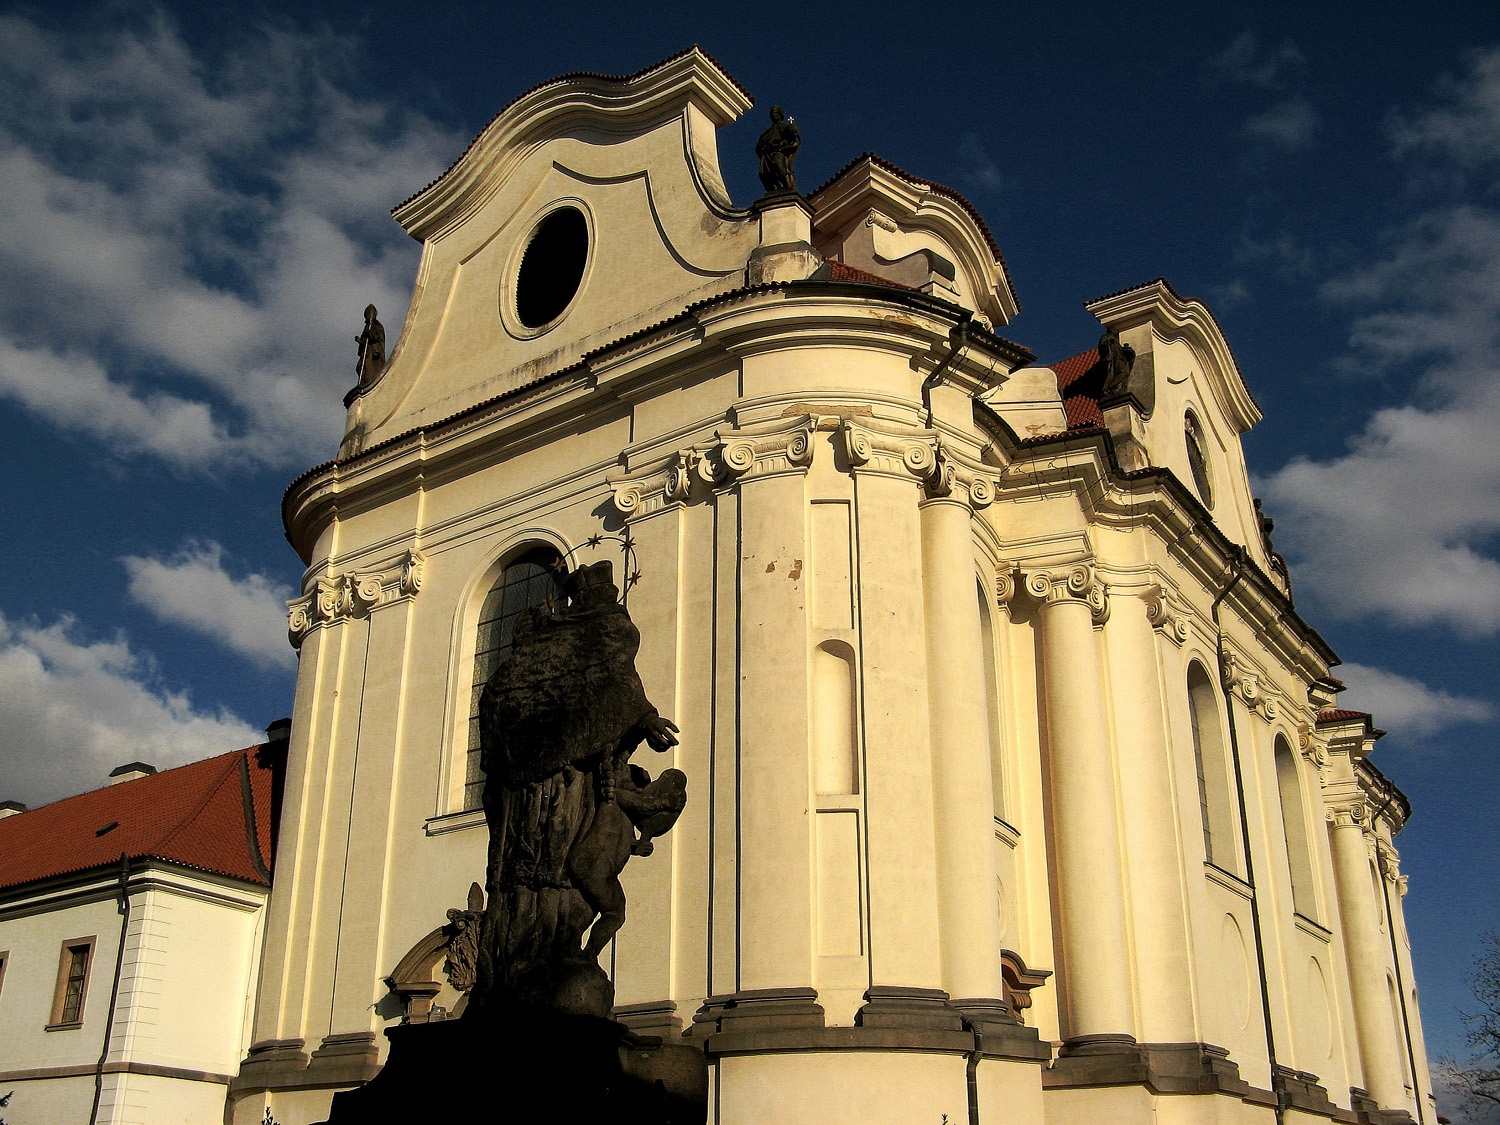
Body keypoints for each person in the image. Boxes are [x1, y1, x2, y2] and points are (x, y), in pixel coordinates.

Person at [756, 105, 801, 194]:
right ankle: (775, 187)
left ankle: (788, 186)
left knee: (780, 167)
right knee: (766, 174)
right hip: (768, 154)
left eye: (776, 113)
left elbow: (794, 140)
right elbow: (760, 144)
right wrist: (764, 147)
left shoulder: (785, 127)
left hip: (779, 152)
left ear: (781, 114)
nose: (774, 115)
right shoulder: (768, 131)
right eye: (772, 113)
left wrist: (782, 147)